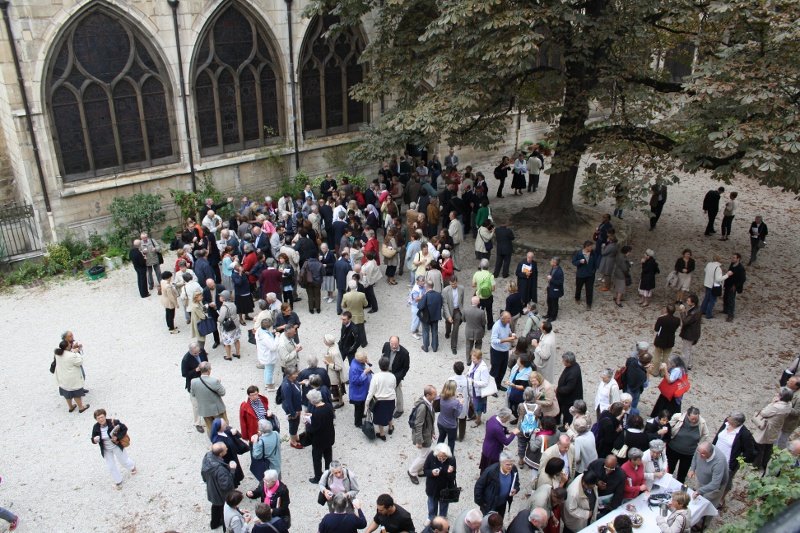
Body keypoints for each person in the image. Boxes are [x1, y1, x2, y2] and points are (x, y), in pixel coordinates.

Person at [751, 387, 794, 474]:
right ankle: (765, 463)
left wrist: (772, 402)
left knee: (760, 446)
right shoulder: (789, 405)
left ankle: (756, 464)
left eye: (778, 394)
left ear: (781, 397)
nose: (776, 394)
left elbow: (764, 413)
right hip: (776, 428)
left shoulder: (777, 406)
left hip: (767, 428)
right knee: (768, 447)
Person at [90, 409, 136, 489]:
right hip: (106, 449)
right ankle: (118, 481)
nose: (101, 419)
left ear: (105, 416)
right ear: (96, 419)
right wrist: (94, 440)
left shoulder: (113, 422)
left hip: (116, 445)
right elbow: (93, 438)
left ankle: (132, 467)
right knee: (111, 466)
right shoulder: (96, 427)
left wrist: (117, 437)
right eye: (98, 418)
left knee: (123, 461)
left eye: (102, 417)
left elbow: (124, 429)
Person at [667, 407, 709, 482]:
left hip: (688, 454)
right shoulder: (678, 417)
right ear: (687, 415)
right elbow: (668, 427)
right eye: (692, 418)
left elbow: (705, 435)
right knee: (669, 470)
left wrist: (699, 447)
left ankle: (678, 491)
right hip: (672, 450)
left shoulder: (702, 423)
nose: (694, 420)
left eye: (696, 418)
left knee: (682, 475)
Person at [475, 451, 520, 518]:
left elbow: (516, 482)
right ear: (501, 463)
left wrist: (516, 489)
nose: (510, 466)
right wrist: (482, 503)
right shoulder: (490, 471)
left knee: (499, 522)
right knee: (487, 523)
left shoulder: (514, 469)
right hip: (489, 504)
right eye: (507, 464)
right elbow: (479, 486)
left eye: (511, 464)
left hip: (502, 504)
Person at [202, 442, 237, 529]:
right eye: (226, 449)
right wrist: (232, 470)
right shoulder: (220, 469)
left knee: (215, 506)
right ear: (220, 453)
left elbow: (203, 472)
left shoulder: (207, 456)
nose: (227, 449)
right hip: (220, 494)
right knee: (222, 508)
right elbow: (226, 485)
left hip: (212, 488)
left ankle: (214, 523)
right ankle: (225, 524)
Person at [688, 442, 729, 515]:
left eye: (703, 454)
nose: (700, 455)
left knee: (707, 504)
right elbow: (695, 457)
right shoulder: (700, 449)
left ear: (710, 453)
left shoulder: (719, 462)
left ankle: (705, 522)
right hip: (702, 480)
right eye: (699, 452)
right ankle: (695, 515)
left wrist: (699, 491)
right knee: (698, 500)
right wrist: (692, 469)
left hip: (714, 487)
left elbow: (715, 484)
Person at [408, 385, 438, 483]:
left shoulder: (428, 402)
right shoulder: (423, 407)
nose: (436, 396)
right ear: (428, 395)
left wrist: (432, 431)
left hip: (427, 434)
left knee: (425, 453)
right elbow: (418, 424)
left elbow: (430, 420)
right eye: (434, 394)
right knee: (423, 456)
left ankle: (420, 470)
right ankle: (412, 471)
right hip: (423, 436)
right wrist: (419, 441)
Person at [305, 389, 336, 483]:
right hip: (329, 436)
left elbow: (312, 428)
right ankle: (329, 474)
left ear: (312, 401)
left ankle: (318, 477)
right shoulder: (329, 407)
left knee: (317, 459)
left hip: (318, 440)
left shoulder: (316, 413)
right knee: (328, 457)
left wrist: (307, 423)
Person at [424, 443, 457, 524]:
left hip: (445, 488)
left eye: (444, 457)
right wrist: (431, 472)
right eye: (440, 457)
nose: (442, 459)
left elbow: (453, 477)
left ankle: (442, 518)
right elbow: (425, 470)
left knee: (444, 505)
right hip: (432, 487)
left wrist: (450, 472)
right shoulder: (431, 456)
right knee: (432, 504)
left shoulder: (451, 459)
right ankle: (431, 517)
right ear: (436, 454)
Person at [365, 357, 397, 440]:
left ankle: (382, 434)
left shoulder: (376, 377)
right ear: (388, 365)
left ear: (379, 366)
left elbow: (371, 391)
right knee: (390, 413)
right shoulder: (392, 376)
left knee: (379, 418)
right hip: (391, 399)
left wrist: (367, 402)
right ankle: (390, 428)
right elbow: (394, 386)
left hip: (380, 401)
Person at [190, 361, 227, 434]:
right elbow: (223, 393)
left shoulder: (193, 381)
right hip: (217, 409)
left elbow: (193, 394)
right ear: (209, 370)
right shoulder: (214, 381)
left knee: (210, 428)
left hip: (204, 410)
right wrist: (219, 383)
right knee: (223, 427)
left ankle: (214, 441)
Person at [53, 340, 89, 413]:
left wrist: (72, 350)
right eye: (69, 344)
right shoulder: (71, 355)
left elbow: (66, 355)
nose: (70, 345)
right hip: (72, 379)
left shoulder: (57, 354)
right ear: (67, 347)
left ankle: (71, 407)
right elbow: (79, 362)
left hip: (62, 378)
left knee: (67, 394)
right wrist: (77, 352)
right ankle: (81, 407)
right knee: (76, 393)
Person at [382, 336, 411, 418]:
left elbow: (405, 368)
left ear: (399, 343)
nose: (394, 346)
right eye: (392, 344)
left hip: (396, 375)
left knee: (398, 392)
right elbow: (383, 355)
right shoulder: (386, 345)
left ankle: (400, 409)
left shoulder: (404, 353)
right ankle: (387, 406)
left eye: (396, 344)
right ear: (389, 342)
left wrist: (396, 377)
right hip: (386, 372)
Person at [279, 366, 304, 449]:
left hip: (296, 407)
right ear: (289, 375)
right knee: (293, 424)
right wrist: (293, 413)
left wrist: (300, 383)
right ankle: (293, 441)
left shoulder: (292, 380)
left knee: (296, 423)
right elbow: (288, 401)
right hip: (292, 409)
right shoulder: (287, 386)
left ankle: (295, 436)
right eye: (295, 374)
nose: (297, 375)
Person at [490, 311, 515, 390]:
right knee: (495, 371)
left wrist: (511, 335)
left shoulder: (507, 324)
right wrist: (507, 339)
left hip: (505, 351)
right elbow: (493, 340)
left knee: (503, 369)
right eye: (508, 319)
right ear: (502, 319)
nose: (510, 320)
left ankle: (498, 385)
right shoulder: (496, 326)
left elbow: (509, 331)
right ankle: (491, 388)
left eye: (510, 318)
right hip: (496, 351)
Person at [556, 351, 583, 426]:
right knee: (561, 408)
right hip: (564, 396)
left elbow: (568, 389)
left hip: (569, 398)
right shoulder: (574, 365)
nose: (562, 362)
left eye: (563, 361)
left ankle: (566, 426)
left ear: (568, 362)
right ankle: (557, 421)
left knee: (567, 413)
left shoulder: (572, 373)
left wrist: (558, 389)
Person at [652, 304, 681, 372]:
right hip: (670, 339)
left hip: (660, 339)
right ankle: (663, 372)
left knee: (657, 355)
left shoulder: (661, 319)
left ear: (667, 310)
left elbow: (656, 329)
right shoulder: (677, 320)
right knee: (666, 357)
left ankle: (655, 371)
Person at [467, 349, 492, 426]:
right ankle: (472, 415)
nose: (472, 360)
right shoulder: (474, 363)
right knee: (471, 402)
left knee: (478, 406)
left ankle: (478, 420)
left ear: (479, 359)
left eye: (474, 359)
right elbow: (471, 371)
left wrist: (474, 382)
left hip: (478, 391)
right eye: (472, 358)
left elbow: (485, 383)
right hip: (472, 388)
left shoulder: (483, 368)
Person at [349, 349, 372, 428]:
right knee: (358, 408)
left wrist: (368, 363)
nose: (366, 359)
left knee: (361, 406)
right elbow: (356, 381)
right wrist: (364, 373)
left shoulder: (357, 361)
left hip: (361, 391)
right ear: (361, 360)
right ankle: (358, 423)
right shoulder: (354, 368)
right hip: (357, 393)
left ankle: (361, 415)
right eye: (365, 359)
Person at [342, 280, 369, 347]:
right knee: (361, 330)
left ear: (349, 286)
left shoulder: (345, 296)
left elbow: (343, 305)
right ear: (356, 285)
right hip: (359, 316)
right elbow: (366, 304)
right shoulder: (361, 295)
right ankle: (363, 343)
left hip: (349, 316)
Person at [442, 276, 465, 356]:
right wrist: (448, 316)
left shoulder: (461, 289)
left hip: (457, 310)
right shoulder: (445, 290)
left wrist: (462, 311)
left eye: (455, 284)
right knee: (448, 323)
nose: (453, 285)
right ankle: (447, 332)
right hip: (449, 310)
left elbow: (462, 301)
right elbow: (445, 304)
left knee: (456, 328)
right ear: (449, 283)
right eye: (452, 284)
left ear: (457, 282)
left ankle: (453, 347)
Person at [677, 294, 701, 370]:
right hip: (694, 332)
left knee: (685, 351)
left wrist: (682, 312)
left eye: (688, 301)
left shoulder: (694, 312)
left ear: (693, 303)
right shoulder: (697, 309)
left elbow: (685, 321)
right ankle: (689, 364)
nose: (687, 302)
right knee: (689, 349)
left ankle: (684, 366)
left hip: (689, 334)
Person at [419, 280, 444, 352]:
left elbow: (420, 306)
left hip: (426, 317)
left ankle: (426, 347)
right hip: (435, 316)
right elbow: (441, 304)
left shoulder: (425, 295)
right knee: (435, 331)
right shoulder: (439, 295)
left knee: (426, 332)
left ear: (426, 286)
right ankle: (435, 347)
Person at [721, 252, 746, 322]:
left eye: (734, 258)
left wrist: (736, 285)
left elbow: (743, 279)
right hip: (728, 284)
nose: (732, 259)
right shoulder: (732, 264)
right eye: (732, 257)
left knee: (731, 300)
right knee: (725, 297)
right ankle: (725, 310)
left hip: (733, 286)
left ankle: (730, 315)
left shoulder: (741, 268)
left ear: (738, 259)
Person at [572, 241, 597, 309]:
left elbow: (596, 262)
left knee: (589, 289)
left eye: (592, 247)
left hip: (590, 275)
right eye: (590, 247)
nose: (592, 248)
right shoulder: (579, 253)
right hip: (581, 274)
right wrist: (579, 261)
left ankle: (589, 303)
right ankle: (577, 298)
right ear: (586, 247)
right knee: (578, 287)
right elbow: (573, 262)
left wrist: (593, 271)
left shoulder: (593, 253)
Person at [255, 318, 278, 390]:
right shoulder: (266, 337)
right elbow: (273, 347)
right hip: (268, 356)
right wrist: (277, 337)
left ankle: (266, 383)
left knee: (267, 369)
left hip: (263, 354)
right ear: (268, 327)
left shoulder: (259, 330)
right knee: (269, 370)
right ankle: (270, 386)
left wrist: (272, 333)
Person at [217, 290, 241, 360]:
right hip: (236, 325)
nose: (219, 297)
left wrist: (218, 319)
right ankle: (238, 353)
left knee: (226, 343)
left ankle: (228, 356)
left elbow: (221, 319)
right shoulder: (233, 303)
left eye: (221, 296)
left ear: (224, 298)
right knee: (236, 340)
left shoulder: (224, 307)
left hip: (228, 327)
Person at [472, 258, 496, 326]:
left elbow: (473, 285)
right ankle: (490, 324)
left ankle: (481, 324)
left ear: (480, 266)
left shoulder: (476, 274)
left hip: (479, 297)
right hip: (488, 297)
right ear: (488, 266)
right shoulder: (491, 276)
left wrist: (479, 286)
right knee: (489, 311)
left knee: (480, 311)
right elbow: (493, 288)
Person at [463, 296, 487, 363]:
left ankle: (468, 360)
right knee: (478, 345)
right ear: (479, 302)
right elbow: (483, 323)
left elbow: (464, 320)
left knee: (468, 346)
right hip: (478, 332)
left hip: (469, 331)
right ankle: (477, 358)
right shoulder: (481, 312)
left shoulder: (465, 310)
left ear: (471, 302)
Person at [544, 257, 564, 321]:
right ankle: (549, 314)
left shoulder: (559, 272)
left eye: (552, 261)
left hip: (555, 290)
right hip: (550, 288)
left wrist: (551, 279)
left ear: (555, 263)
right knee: (549, 302)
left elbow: (560, 282)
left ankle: (553, 317)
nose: (550, 262)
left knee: (554, 304)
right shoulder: (553, 268)